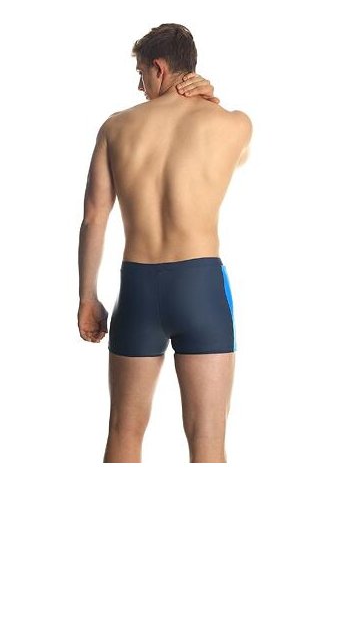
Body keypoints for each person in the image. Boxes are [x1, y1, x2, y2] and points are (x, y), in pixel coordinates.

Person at [77, 23, 252, 463]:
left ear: (159, 68)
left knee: (123, 431)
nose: (140, 86)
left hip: (138, 290)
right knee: (208, 440)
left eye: (141, 74)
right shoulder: (232, 124)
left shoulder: (116, 127)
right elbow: (240, 157)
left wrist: (87, 297)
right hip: (200, 288)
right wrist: (212, 100)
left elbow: (94, 216)